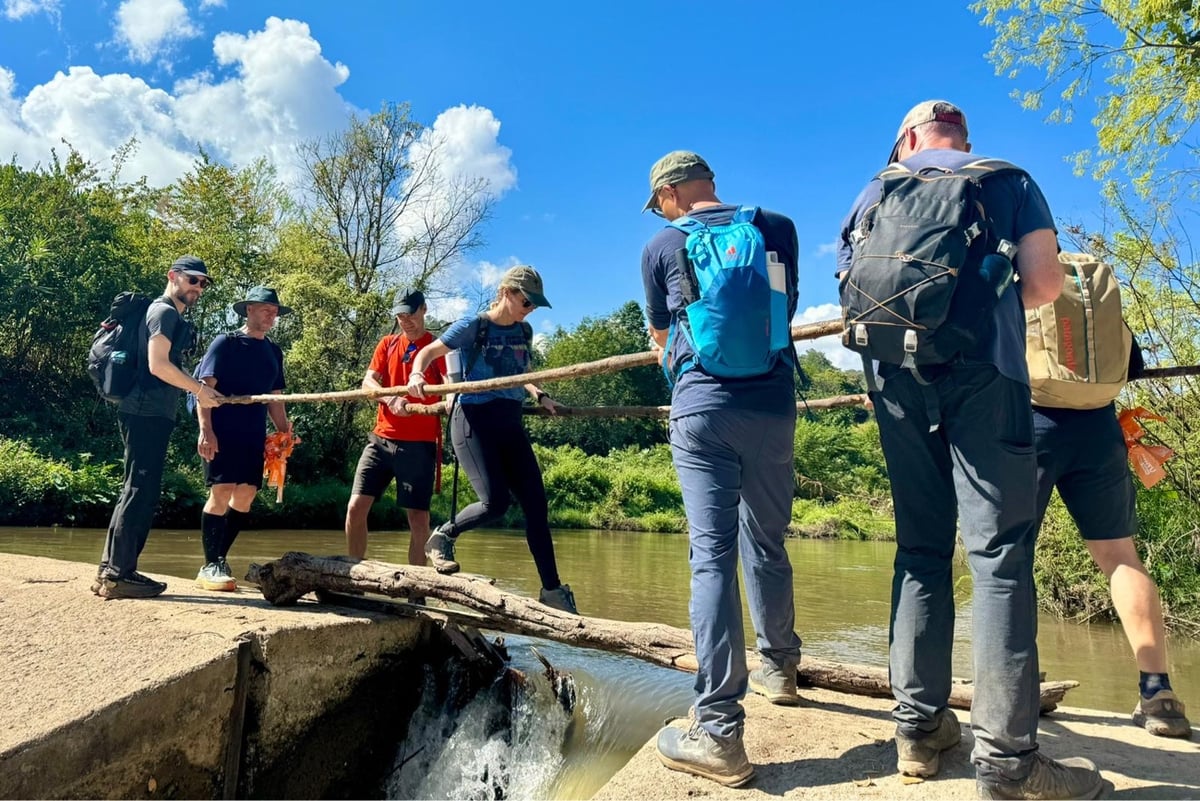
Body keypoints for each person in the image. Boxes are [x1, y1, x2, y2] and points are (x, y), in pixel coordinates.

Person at [837, 101, 1108, 799]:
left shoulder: (876, 188)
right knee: (998, 559)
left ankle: (918, 732)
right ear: (964, 138)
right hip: (988, 378)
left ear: (907, 141)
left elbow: (855, 297)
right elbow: (1046, 285)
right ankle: (1008, 762)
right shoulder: (1007, 180)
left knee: (920, 552)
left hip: (893, 383)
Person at [640, 150, 803, 788]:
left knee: (712, 557)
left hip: (702, 408)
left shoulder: (660, 245)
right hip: (773, 404)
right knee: (766, 539)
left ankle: (719, 730)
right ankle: (782, 669)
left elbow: (660, 337)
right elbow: (784, 312)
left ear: (673, 194)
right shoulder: (777, 227)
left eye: (659, 202)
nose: (660, 212)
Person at [405, 266, 577, 614]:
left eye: (534, 304)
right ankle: (444, 535)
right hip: (473, 419)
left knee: (536, 507)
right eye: (525, 300)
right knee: (495, 502)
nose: (529, 308)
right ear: (505, 292)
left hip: (509, 420)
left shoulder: (524, 331)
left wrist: (541, 396)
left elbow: (522, 373)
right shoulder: (474, 326)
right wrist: (417, 375)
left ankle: (553, 591)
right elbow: (428, 353)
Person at [1033, 403, 1192, 738]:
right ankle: (1157, 691)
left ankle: (1015, 686)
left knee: (1011, 558)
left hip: (1027, 420)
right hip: (1098, 424)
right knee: (1121, 557)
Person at [94, 255, 222, 599]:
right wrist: (200, 390)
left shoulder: (167, 313)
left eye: (203, 283)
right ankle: (120, 574)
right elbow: (157, 365)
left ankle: (109, 571)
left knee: (134, 487)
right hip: (145, 410)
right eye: (193, 280)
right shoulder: (164, 311)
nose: (199, 287)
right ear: (173, 277)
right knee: (141, 489)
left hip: (146, 410)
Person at [194, 286, 294, 591]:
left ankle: (218, 559)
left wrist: (285, 432)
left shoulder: (274, 351)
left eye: (275, 311)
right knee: (222, 490)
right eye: (266, 309)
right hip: (222, 428)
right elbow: (203, 388)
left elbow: (275, 399)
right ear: (248, 309)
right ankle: (211, 564)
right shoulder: (226, 343)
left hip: (253, 432)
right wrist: (205, 429)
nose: (271, 315)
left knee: (247, 494)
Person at [344, 288, 447, 565]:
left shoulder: (438, 348)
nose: (405, 320)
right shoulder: (387, 344)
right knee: (356, 507)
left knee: (418, 519)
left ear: (424, 309)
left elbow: (451, 389)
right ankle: (354, 574)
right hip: (380, 439)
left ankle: (417, 587)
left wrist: (448, 402)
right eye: (400, 315)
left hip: (419, 444)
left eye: (410, 314)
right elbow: (368, 382)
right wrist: (389, 398)